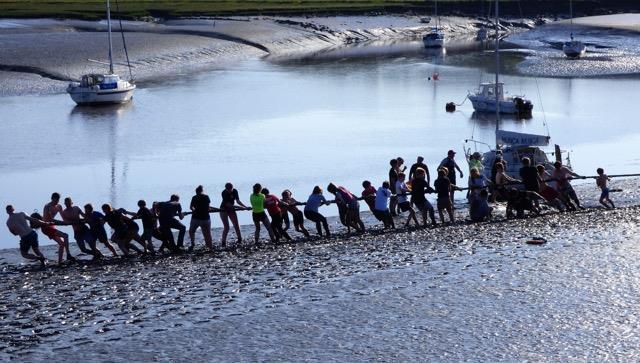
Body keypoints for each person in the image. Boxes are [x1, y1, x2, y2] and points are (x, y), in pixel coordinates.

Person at [42, 192, 75, 263]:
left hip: (52, 226)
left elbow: (64, 217)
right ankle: (68, 254)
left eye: (58, 199)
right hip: (46, 227)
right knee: (65, 235)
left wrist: (68, 221)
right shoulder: (47, 206)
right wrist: (62, 222)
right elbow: (50, 219)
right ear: (52, 199)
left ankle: (60, 262)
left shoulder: (59, 206)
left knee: (62, 244)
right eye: (55, 199)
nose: (57, 201)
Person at [220, 182, 248, 247]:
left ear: (232, 187)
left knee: (236, 225)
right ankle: (223, 242)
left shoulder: (235, 191)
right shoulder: (224, 192)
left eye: (231, 189)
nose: (230, 191)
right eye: (228, 189)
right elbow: (228, 204)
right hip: (223, 209)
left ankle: (240, 239)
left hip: (232, 209)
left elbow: (238, 201)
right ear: (226, 189)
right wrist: (239, 207)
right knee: (226, 227)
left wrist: (245, 207)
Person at [189, 185, 216, 251]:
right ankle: (209, 247)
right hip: (205, 217)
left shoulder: (194, 197)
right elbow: (208, 207)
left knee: (191, 231)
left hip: (196, 217)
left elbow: (191, 207)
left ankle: (193, 243)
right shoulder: (206, 197)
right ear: (202, 191)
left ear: (196, 192)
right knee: (207, 233)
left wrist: (194, 210)